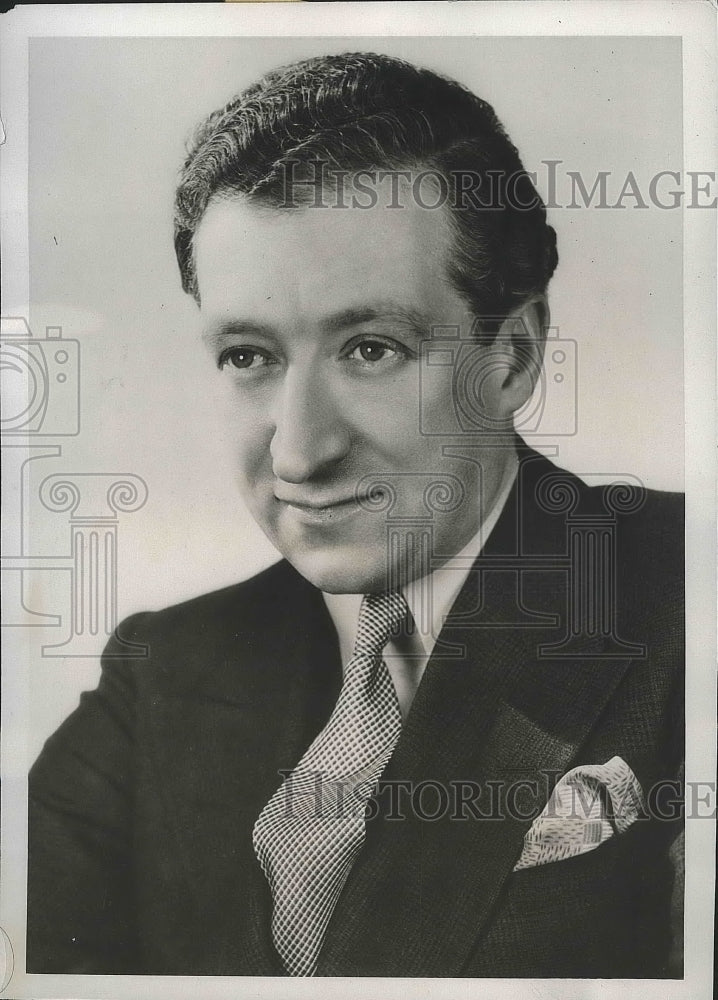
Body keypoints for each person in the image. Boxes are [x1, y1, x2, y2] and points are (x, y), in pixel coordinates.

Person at [27, 52, 684, 978]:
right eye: (249, 356)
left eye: (370, 349)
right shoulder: (158, 682)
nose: (298, 452)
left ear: (515, 358)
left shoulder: (688, 598)